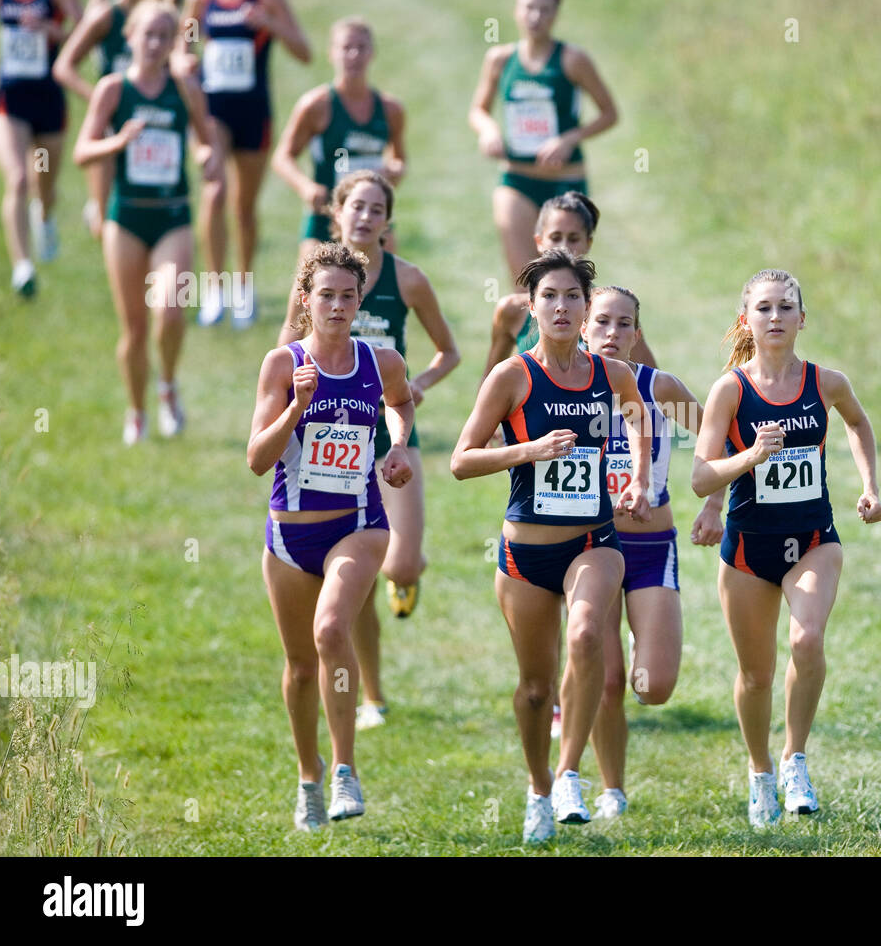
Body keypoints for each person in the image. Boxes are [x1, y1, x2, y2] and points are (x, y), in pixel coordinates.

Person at [450, 248, 651, 843]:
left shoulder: (609, 374)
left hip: (594, 541)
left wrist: (638, 476)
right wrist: (529, 451)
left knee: (589, 636)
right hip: (524, 554)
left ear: (587, 309)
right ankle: (538, 786)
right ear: (531, 309)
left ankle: (568, 773)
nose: (561, 307)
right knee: (535, 689)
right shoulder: (512, 376)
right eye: (549, 298)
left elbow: (638, 416)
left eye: (572, 297)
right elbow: (462, 460)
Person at [691, 269, 881, 826]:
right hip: (749, 548)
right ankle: (760, 775)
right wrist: (750, 457)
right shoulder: (730, 389)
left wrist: (870, 487)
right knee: (756, 676)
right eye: (764, 308)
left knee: (808, 637)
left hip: (815, 540)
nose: (775, 318)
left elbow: (857, 424)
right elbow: (702, 478)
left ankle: (795, 758)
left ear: (803, 318)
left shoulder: (826, 382)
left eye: (786, 308)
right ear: (745, 319)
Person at [278, 169, 459, 731]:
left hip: (388, 438)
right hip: (329, 436)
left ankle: (407, 573)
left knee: (400, 563)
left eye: (376, 209)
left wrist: (416, 388)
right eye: (356, 207)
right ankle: (373, 698)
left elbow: (447, 351)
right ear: (338, 213)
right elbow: (286, 339)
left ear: (387, 220)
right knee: (353, 585)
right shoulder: (315, 278)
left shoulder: (407, 280)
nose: (365, 217)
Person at [247, 241, 414, 830]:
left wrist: (395, 446)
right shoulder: (282, 364)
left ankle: (345, 769)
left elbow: (400, 403)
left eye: (348, 296)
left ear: (360, 299)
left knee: (332, 629)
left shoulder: (381, 361)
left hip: (359, 525)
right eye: (327, 296)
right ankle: (308, 775)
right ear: (306, 300)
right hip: (290, 540)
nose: (338, 306)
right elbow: (256, 459)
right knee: (298, 666)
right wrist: (296, 407)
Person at [580, 284, 723, 818]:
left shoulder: (657, 387)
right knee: (608, 679)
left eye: (624, 324)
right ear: (581, 325)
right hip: (586, 545)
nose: (612, 333)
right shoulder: (559, 386)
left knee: (654, 685)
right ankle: (610, 789)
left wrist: (712, 507)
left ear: (638, 335)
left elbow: (719, 438)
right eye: (602, 322)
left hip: (649, 544)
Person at [72, 0, 221, 443]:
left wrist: (207, 157)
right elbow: (82, 151)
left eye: (164, 36)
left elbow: (205, 141)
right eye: (147, 35)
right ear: (130, 36)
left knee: (171, 315)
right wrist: (116, 143)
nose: (155, 44)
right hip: (126, 219)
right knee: (134, 330)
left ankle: (168, 387)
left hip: (172, 216)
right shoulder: (113, 89)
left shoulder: (184, 88)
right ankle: (136, 412)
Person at [176, 0, 309, 327]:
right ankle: (214, 290)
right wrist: (184, 63)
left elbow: (303, 51)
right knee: (214, 191)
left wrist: (270, 23)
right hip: (212, 112)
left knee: (244, 206)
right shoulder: (201, 0)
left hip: (253, 113)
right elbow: (183, 47)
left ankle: (244, 288)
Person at [468, 0, 617, 288]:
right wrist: (489, 131)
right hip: (516, 180)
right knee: (524, 281)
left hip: (564, 181)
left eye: (545, 10)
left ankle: (573, 333)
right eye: (529, 8)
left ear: (556, 14)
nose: (536, 17)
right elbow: (478, 110)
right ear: (517, 10)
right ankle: (524, 335)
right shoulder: (499, 59)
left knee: (567, 279)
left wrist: (570, 138)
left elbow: (609, 113)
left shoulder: (573, 60)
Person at [272, 16, 405, 339]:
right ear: (333, 53)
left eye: (361, 47)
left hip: (373, 223)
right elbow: (283, 155)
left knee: (378, 304)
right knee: (304, 309)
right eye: (346, 47)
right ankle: (284, 378)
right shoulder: (317, 105)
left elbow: (399, 158)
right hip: (323, 222)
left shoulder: (389, 109)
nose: (354, 55)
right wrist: (306, 186)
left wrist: (394, 170)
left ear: (372, 53)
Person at [481, 190, 657, 383]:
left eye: (573, 239)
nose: (564, 247)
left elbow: (652, 386)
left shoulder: (614, 311)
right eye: (555, 237)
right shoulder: (511, 311)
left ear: (588, 243)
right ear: (539, 241)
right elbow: (488, 384)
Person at [0, 0, 81, 296]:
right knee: (17, 179)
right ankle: (23, 267)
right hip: (10, 103)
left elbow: (84, 34)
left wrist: (49, 30)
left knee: (41, 179)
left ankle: (43, 216)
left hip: (47, 104)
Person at [52, 0, 154, 238]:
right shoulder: (107, 16)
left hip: (151, 128)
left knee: (147, 218)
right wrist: (100, 101)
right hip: (110, 129)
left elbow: (183, 55)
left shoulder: (159, 17)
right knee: (106, 222)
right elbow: (64, 67)